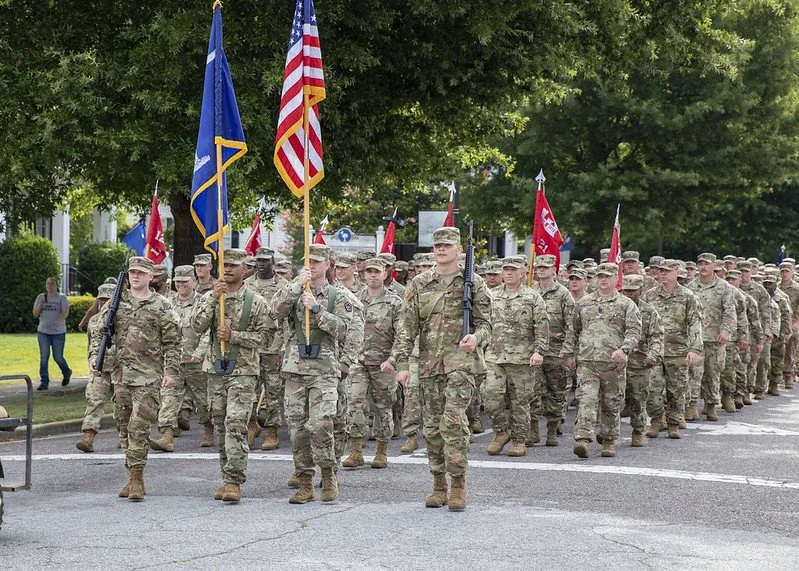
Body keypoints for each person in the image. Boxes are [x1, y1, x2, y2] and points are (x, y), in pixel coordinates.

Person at [392, 227, 492, 511]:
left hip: (460, 363)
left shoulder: (473, 282)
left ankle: (458, 483)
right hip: (428, 365)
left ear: (459, 248)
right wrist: (402, 363)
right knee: (433, 428)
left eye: (447, 245)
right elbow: (406, 327)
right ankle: (439, 484)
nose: (441, 249)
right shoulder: (420, 284)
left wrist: (476, 337)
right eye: (437, 245)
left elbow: (487, 323)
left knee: (453, 421)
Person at [88, 256, 180, 501]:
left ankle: (137, 479)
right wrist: (94, 356)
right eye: (132, 272)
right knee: (123, 427)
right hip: (120, 375)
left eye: (140, 272)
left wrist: (171, 372)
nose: (135, 276)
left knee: (138, 428)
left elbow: (173, 343)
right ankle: (131, 476)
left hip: (148, 377)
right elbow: (99, 329)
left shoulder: (162, 305)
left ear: (151, 276)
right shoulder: (118, 302)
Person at [270, 244, 356, 504]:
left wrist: (318, 310)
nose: (313, 265)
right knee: (297, 429)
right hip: (296, 369)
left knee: (320, 424)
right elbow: (274, 311)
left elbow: (344, 330)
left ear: (328, 265)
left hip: (324, 369)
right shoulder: (294, 291)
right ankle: (305, 481)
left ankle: (328, 473)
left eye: (318, 261)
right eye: (309, 261)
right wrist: (297, 286)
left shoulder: (338, 296)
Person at [191, 249, 274, 503]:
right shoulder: (212, 297)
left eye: (233, 265)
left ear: (244, 269)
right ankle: (225, 474)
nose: (227, 269)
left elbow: (267, 337)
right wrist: (211, 300)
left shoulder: (256, 302)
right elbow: (196, 325)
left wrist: (235, 336)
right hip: (215, 369)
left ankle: (234, 481)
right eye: (224, 265)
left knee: (235, 423)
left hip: (243, 371)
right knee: (218, 424)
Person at [561, 262, 641, 458]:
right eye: (600, 276)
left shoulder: (626, 304)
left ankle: (608, 439)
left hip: (613, 364)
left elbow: (634, 331)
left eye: (607, 276)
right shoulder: (583, 303)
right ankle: (582, 439)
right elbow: (574, 330)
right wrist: (568, 353)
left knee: (611, 403)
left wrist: (625, 349)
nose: (603, 279)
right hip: (588, 361)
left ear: (616, 279)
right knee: (586, 400)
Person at [483, 256, 548, 457]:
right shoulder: (491, 295)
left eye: (513, 270)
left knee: (521, 401)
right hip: (494, 356)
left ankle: (519, 440)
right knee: (490, 396)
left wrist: (539, 351)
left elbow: (542, 326)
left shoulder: (532, 297)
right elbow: (483, 323)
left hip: (522, 358)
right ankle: (501, 432)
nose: (509, 273)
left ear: (523, 273)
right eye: (506, 269)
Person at [342, 258, 403, 469]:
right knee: (354, 402)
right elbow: (346, 330)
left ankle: (381, 450)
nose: (373, 276)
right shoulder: (354, 300)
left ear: (385, 274)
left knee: (383, 407)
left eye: (377, 272)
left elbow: (402, 335)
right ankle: (356, 450)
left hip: (383, 363)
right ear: (363, 275)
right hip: (358, 361)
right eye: (369, 272)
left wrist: (393, 360)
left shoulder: (395, 302)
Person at [150, 265, 213, 452]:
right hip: (173, 363)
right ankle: (166, 437)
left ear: (194, 282)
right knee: (168, 399)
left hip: (196, 362)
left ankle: (209, 429)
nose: (181, 285)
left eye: (185, 281)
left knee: (204, 401)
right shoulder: (166, 302)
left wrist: (200, 352)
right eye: (178, 281)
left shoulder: (203, 303)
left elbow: (209, 331)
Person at [642, 260, 702, 434]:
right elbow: (642, 321)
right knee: (652, 388)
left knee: (676, 390)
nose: (662, 274)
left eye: (667, 271)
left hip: (678, 351)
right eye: (660, 271)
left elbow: (695, 323)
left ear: (677, 273)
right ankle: (656, 420)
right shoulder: (650, 295)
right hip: (654, 350)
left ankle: (674, 424)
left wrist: (694, 349)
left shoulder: (688, 296)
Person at [243, 247, 289, 451]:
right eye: (258, 261)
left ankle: (272, 431)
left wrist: (285, 347)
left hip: (274, 345)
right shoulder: (247, 284)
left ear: (272, 262)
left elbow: (288, 320)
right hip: (252, 346)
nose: (261, 264)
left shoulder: (284, 286)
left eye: (265, 261)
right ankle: (252, 425)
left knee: (273, 390)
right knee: (249, 389)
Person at [686, 253, 736, 420]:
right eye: (700, 264)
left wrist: (726, 331)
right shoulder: (691, 287)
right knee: (694, 372)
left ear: (714, 266)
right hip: (696, 338)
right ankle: (692, 405)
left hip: (716, 337)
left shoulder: (724, 287)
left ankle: (711, 405)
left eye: (706, 264)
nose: (703, 267)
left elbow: (729, 311)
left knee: (713, 372)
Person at [531, 254, 574, 447]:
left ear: (553, 270)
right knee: (532, 392)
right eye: (538, 267)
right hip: (534, 350)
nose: (541, 269)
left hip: (556, 351)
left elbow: (572, 324)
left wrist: (568, 350)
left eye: (545, 267)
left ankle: (552, 429)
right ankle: (533, 431)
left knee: (556, 392)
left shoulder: (563, 294)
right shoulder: (531, 292)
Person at [620, 274, 664, 444]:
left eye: (633, 290)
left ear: (640, 290)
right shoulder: (615, 307)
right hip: (615, 363)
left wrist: (653, 355)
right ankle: (607, 431)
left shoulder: (648, 311)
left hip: (639, 362)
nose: (629, 293)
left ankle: (638, 431)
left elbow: (657, 336)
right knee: (610, 400)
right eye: (627, 290)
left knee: (638, 400)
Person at [76, 283, 118, 453]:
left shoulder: (123, 318)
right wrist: (92, 360)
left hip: (120, 366)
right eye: (100, 301)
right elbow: (91, 344)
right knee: (94, 399)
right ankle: (88, 437)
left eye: (107, 300)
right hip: (100, 367)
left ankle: (125, 437)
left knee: (123, 403)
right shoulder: (93, 321)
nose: (103, 304)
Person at [32, 277, 72, 391]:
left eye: (52, 284)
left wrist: (58, 321)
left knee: (58, 357)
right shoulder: (41, 297)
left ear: (57, 285)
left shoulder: (61, 298)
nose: (49, 286)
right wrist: (40, 305)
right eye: (48, 283)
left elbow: (65, 312)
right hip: (43, 332)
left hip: (58, 333)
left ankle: (67, 372)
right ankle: (44, 382)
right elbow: (35, 314)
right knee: (44, 357)